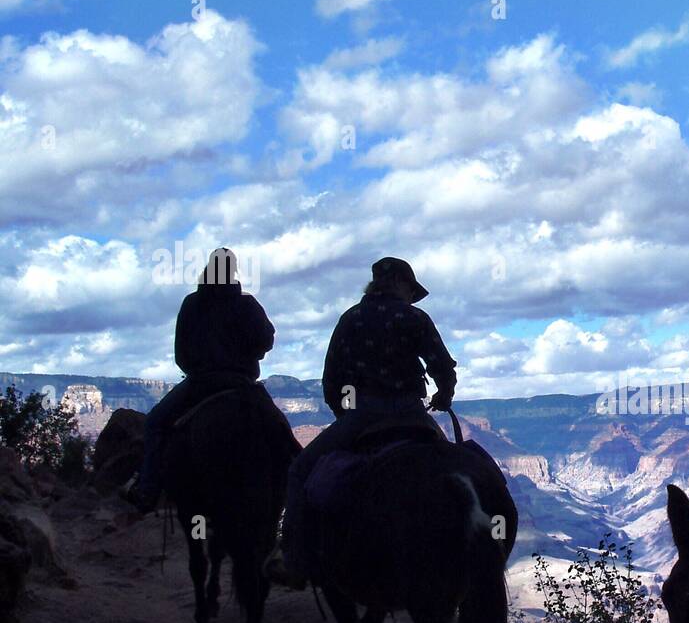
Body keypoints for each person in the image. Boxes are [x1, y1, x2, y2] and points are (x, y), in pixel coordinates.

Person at [269, 256, 457, 586]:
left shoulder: (350, 319)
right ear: (400, 283)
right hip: (413, 413)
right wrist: (444, 395)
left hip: (363, 414)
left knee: (299, 471)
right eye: (410, 289)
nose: (410, 296)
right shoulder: (414, 317)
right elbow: (442, 366)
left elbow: (332, 381)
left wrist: (346, 415)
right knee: (455, 472)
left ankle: (295, 561)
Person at [125, 248, 277, 512]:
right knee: (278, 431)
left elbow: (181, 354)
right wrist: (251, 355)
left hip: (199, 385)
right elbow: (266, 340)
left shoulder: (192, 304)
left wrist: (199, 368)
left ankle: (147, 491)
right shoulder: (247, 304)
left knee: (156, 424)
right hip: (241, 384)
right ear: (234, 270)